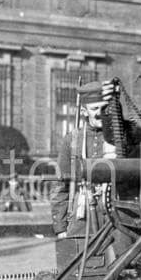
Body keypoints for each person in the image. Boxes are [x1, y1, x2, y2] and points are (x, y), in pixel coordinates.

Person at [49, 81, 117, 238]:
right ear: (85, 112)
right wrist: (60, 228)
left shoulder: (121, 136)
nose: (100, 113)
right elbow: (60, 185)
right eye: (95, 109)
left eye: (104, 108)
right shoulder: (72, 139)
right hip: (82, 216)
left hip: (115, 216)